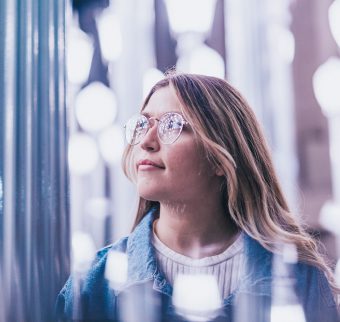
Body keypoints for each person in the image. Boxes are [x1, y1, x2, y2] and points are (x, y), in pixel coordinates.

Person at [56, 72, 339, 322]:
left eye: (172, 125)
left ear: (220, 157)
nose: (146, 141)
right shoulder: (94, 286)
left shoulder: (300, 280)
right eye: (142, 124)